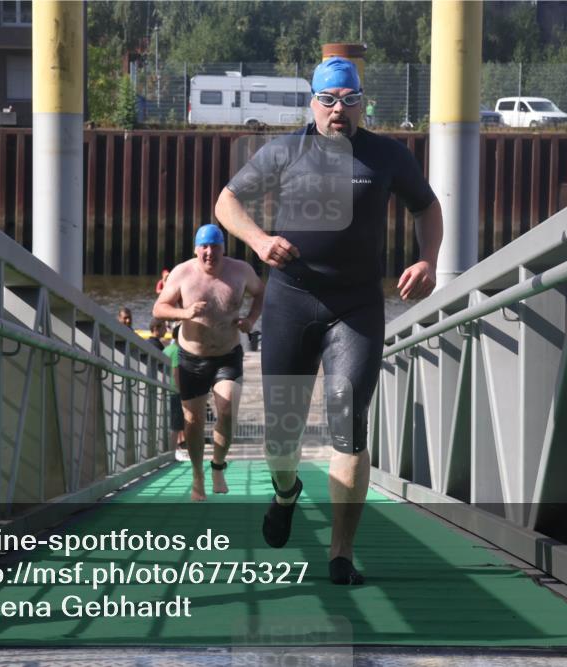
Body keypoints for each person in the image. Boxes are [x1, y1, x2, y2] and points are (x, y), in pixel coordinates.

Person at [214, 56, 442, 584]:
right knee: (282, 436)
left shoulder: (387, 156)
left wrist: (427, 257)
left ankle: (341, 554)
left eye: (350, 99)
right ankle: (285, 491)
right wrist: (259, 240)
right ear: (312, 102)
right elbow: (227, 202)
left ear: (364, 102)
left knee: (349, 424)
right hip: (291, 301)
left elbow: (426, 208)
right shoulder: (283, 151)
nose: (340, 110)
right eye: (329, 99)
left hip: (357, 308)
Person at [152, 224, 265, 501]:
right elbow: (158, 308)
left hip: (228, 354)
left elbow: (262, 293)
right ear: (196, 249)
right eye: (204, 246)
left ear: (223, 248)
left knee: (226, 411)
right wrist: (185, 312)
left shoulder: (241, 271)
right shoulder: (182, 273)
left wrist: (250, 320)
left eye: (215, 246)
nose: (209, 252)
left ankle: (217, 466)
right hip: (192, 358)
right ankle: (197, 475)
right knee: (193, 421)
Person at [164, 324, 186, 453]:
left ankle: (168, 450)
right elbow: (175, 371)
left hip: (165, 389)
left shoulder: (167, 349)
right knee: (176, 425)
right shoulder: (178, 351)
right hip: (175, 391)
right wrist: (180, 390)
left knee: (169, 423)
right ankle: (172, 452)